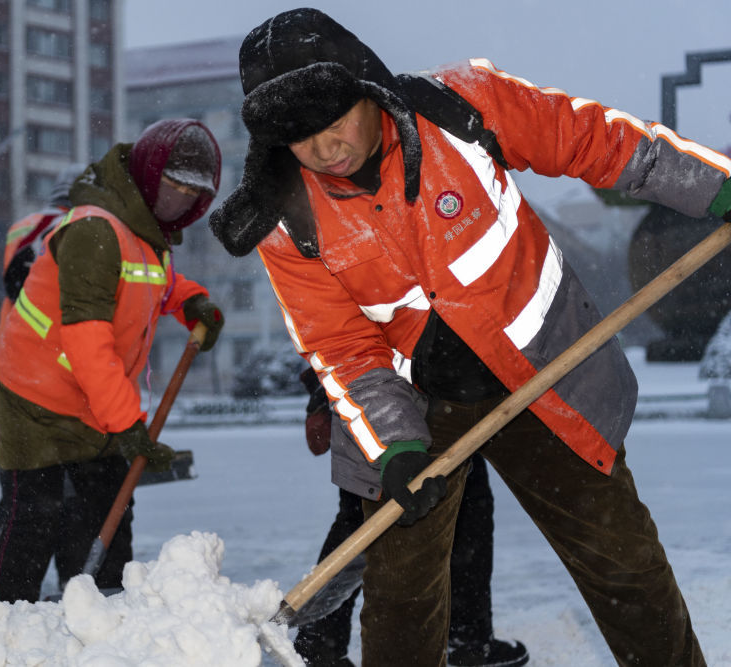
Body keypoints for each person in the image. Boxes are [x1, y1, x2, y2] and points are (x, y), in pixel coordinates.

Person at [210, 8, 731, 666]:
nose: (324, 148)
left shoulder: (462, 107)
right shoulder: (289, 222)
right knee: (400, 597)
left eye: (333, 119)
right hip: (415, 407)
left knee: (623, 564)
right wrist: (395, 445)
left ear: (365, 88)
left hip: (545, 372)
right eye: (300, 138)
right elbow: (340, 349)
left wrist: (712, 186)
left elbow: (594, 140)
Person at [0, 119, 226, 603]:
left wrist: (191, 302)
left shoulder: (142, 232)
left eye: (190, 195)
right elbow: (87, 339)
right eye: (172, 187)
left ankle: (100, 627)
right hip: (36, 398)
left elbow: (149, 284)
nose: (178, 202)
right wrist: (126, 424)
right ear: (147, 173)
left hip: (93, 396)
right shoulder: (96, 230)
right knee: (33, 524)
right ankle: (7, 634)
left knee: (104, 527)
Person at [294, 369, 527, 667]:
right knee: (372, 518)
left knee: (365, 516)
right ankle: (468, 639)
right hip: (403, 393)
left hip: (407, 391)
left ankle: (320, 644)